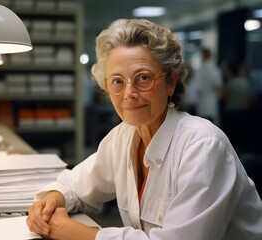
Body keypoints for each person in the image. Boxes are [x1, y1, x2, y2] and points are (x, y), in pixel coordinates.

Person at [26, 19, 262, 240]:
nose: (129, 94)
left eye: (143, 78)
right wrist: (52, 200)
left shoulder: (203, 146)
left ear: (170, 81)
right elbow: (74, 185)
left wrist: (76, 232)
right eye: (117, 81)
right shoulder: (124, 136)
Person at [193, 48, 223, 126]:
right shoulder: (215, 70)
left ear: (203, 56)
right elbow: (218, 87)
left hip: (201, 104)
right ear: (211, 56)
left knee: (201, 128)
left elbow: (195, 88)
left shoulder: (198, 70)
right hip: (211, 103)